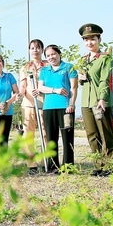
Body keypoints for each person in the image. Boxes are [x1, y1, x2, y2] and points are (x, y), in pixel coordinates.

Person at [78, 23, 113, 176]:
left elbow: (104, 80)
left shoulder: (105, 58)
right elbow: (82, 81)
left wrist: (102, 99)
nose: (89, 42)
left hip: (100, 101)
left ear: (99, 39)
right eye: (86, 40)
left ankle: (109, 166)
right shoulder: (83, 60)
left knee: (105, 134)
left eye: (92, 39)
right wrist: (80, 78)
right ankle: (97, 165)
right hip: (86, 102)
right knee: (92, 134)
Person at [38, 45, 78, 173]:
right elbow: (41, 88)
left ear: (59, 54)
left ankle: (68, 167)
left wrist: (71, 104)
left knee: (67, 139)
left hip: (65, 108)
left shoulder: (68, 67)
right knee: (51, 139)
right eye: (48, 55)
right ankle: (53, 167)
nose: (51, 57)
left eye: (53, 54)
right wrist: (55, 90)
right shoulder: (44, 71)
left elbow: (74, 88)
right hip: (48, 108)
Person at [19, 39, 47, 174]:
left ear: (42, 50)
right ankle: (32, 165)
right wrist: (20, 93)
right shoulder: (25, 67)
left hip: (44, 103)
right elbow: (23, 86)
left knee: (45, 133)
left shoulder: (47, 66)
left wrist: (42, 91)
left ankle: (45, 161)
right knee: (28, 134)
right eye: (32, 48)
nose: (35, 50)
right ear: (29, 50)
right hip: (28, 104)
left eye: (38, 47)